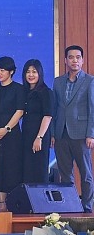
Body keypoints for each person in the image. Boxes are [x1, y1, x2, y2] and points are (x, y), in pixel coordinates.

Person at [53, 45, 94, 212]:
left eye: (78, 57)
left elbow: (92, 109)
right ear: (65, 60)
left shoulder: (90, 80)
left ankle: (87, 207)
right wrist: (53, 134)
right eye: (71, 57)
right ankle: (69, 206)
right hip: (61, 133)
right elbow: (54, 109)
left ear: (82, 60)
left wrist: (91, 134)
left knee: (86, 174)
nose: (74, 60)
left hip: (81, 134)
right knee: (65, 174)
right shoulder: (58, 81)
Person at [0, 56, 25, 211]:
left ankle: (12, 203)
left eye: (2, 70)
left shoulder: (19, 89)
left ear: (11, 71)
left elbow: (20, 111)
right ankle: (1, 203)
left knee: (12, 167)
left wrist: (7, 129)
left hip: (12, 134)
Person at [21, 59, 53, 184]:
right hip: (26, 136)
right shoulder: (25, 92)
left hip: (40, 136)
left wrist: (39, 137)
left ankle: (40, 202)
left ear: (40, 73)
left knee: (38, 170)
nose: (31, 75)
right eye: (28, 72)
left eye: (34, 72)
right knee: (27, 170)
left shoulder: (46, 92)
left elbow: (48, 116)